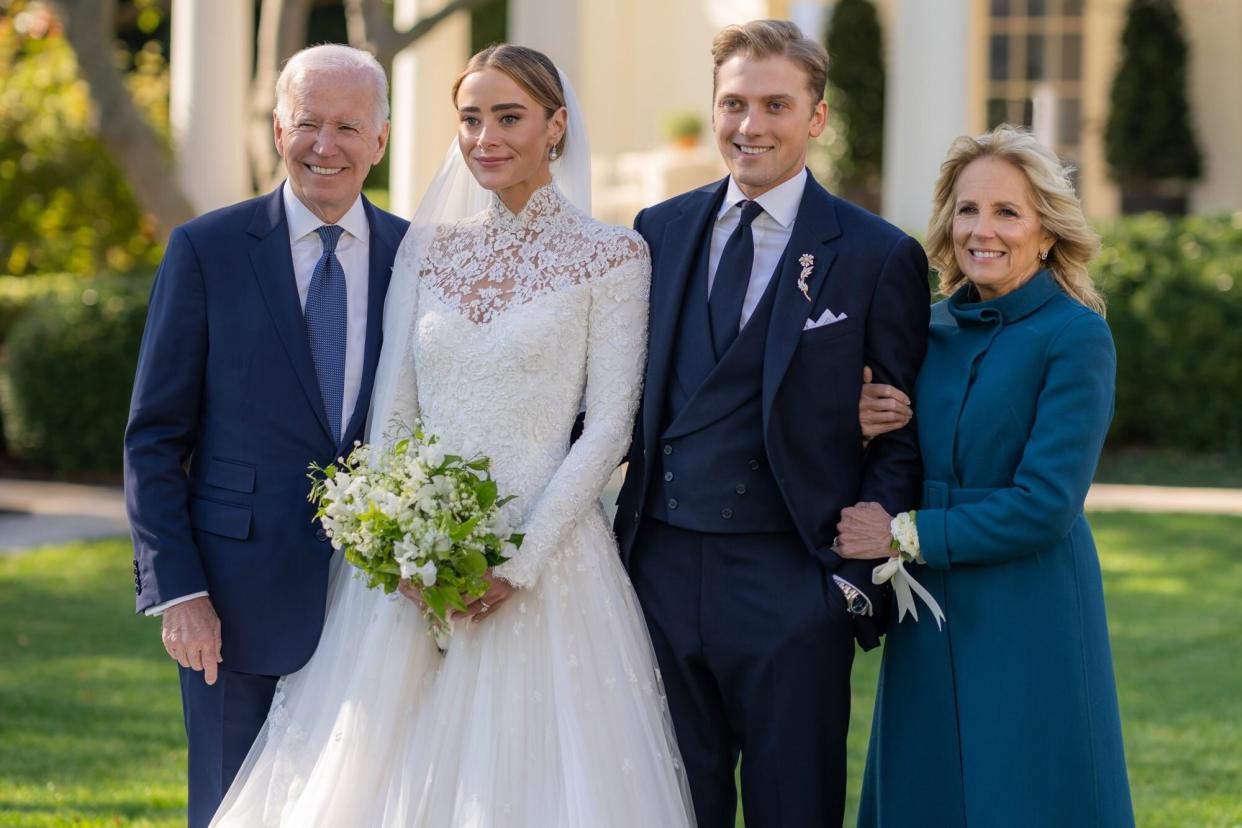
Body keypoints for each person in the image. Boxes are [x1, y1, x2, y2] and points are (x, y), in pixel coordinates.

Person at [208, 45, 695, 826]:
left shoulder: (614, 255)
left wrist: (520, 559)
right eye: (470, 118)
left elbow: (609, 426)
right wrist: (400, 542)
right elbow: (394, 418)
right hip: (410, 573)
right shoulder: (428, 250)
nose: (484, 137)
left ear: (556, 126)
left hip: (548, 567)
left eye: (509, 117)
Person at [612, 20, 930, 827]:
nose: (750, 126)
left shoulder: (875, 253)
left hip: (792, 578)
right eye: (734, 104)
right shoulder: (658, 232)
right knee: (674, 805)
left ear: (816, 119)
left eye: (776, 105)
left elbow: (899, 436)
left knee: (796, 809)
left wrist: (846, 586)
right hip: (658, 570)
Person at [123, 45, 406, 828]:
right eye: (308, 123)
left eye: (348, 126)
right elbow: (153, 437)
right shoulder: (206, 251)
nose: (326, 145)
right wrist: (179, 593)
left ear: (380, 139)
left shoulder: (418, 259)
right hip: (232, 600)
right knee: (230, 808)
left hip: (378, 605)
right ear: (278, 126)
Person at [843, 126, 1135, 827]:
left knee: (1024, 788)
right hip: (929, 610)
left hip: (1027, 607)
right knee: (927, 786)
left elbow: (1046, 504)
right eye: (968, 209)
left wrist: (903, 533)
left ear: (1047, 232)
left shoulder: (1077, 336)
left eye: (1008, 212)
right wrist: (860, 424)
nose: (983, 230)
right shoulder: (927, 328)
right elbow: (899, 457)